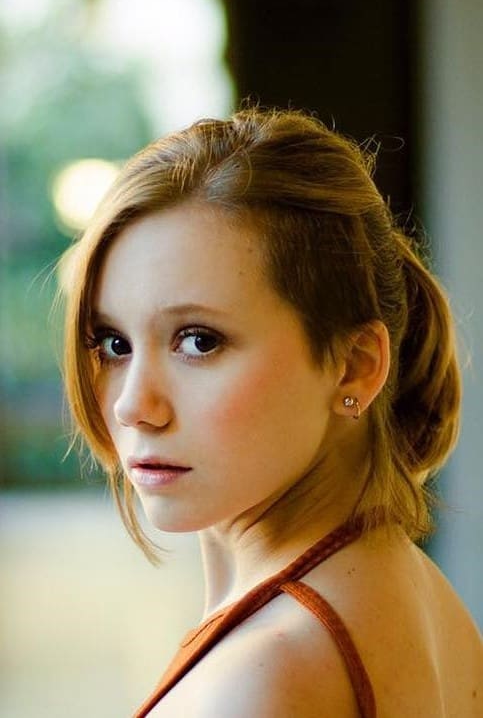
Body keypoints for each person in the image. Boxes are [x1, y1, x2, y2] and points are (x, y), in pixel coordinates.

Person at [59, 108, 482, 717]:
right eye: (114, 344)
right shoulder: (419, 596)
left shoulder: (266, 675)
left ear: (355, 365)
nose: (132, 406)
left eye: (198, 341)